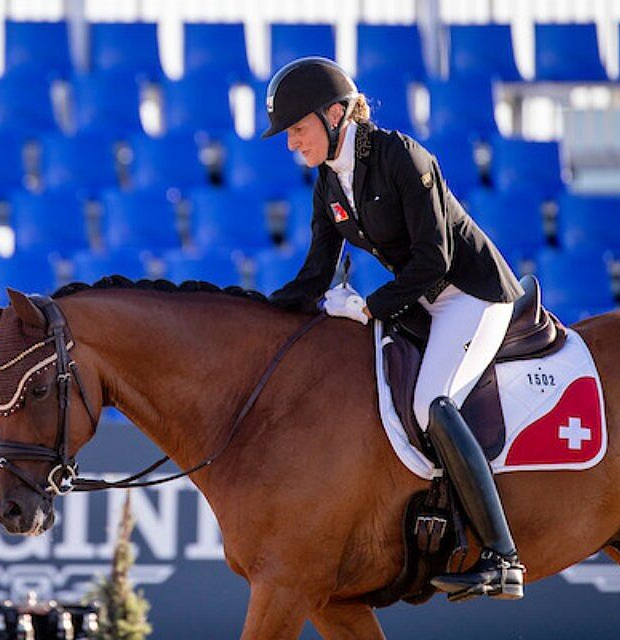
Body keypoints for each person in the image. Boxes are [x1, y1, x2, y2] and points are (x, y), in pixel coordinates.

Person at [263, 57, 527, 601]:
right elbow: (314, 274)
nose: (291, 144)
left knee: (433, 399)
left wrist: (371, 308)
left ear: (335, 114)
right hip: (423, 302)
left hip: (471, 295)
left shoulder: (402, 156)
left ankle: (503, 557)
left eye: (297, 129)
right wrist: (260, 316)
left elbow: (435, 258)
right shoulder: (329, 182)